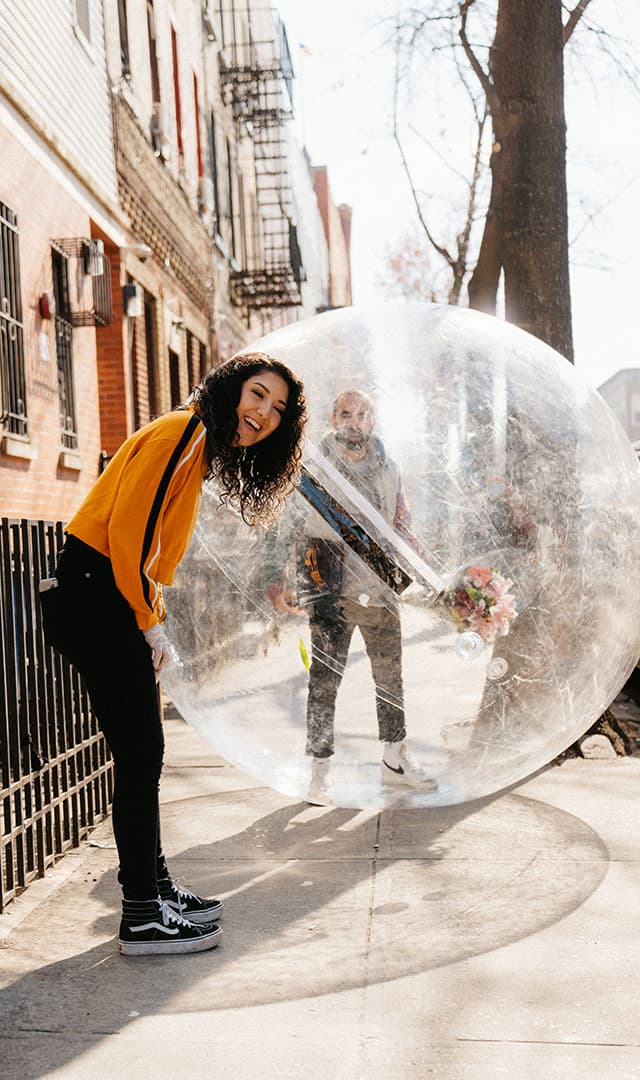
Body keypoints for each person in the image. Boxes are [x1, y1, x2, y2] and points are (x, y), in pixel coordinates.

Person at [40, 353, 307, 956]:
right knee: (140, 754)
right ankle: (141, 915)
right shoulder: (184, 433)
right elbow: (130, 539)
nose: (263, 413)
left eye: (277, 408)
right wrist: (149, 623)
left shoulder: (198, 443)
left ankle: (153, 888)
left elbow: (145, 547)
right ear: (232, 389)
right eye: (257, 394)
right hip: (96, 593)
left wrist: (146, 615)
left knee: (145, 752)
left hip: (104, 595)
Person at [273, 389, 434, 802]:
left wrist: (432, 574)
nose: (354, 421)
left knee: (390, 681)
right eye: (345, 413)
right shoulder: (312, 468)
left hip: (379, 591)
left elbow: (402, 524)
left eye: (362, 414)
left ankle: (394, 761)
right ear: (333, 418)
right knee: (324, 682)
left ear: (372, 421)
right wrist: (283, 577)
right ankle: (319, 771)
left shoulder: (389, 468)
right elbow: (287, 526)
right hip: (329, 589)